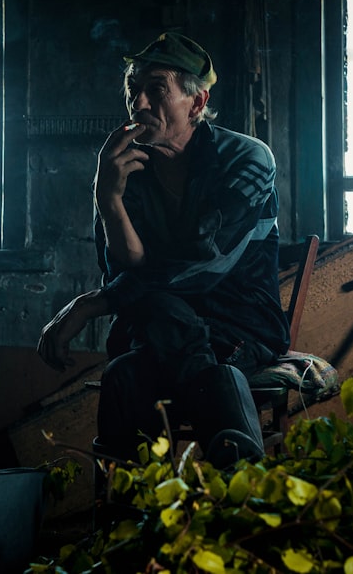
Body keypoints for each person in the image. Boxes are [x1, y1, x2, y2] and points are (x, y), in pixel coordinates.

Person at [36, 32, 290, 468]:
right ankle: (140, 515)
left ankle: (238, 497)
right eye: (134, 89)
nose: (139, 104)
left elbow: (205, 264)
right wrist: (109, 199)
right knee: (124, 375)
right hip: (159, 332)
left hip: (238, 324)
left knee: (159, 324)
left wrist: (94, 304)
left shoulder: (247, 159)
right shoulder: (124, 171)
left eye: (157, 89)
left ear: (196, 102)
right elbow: (122, 269)